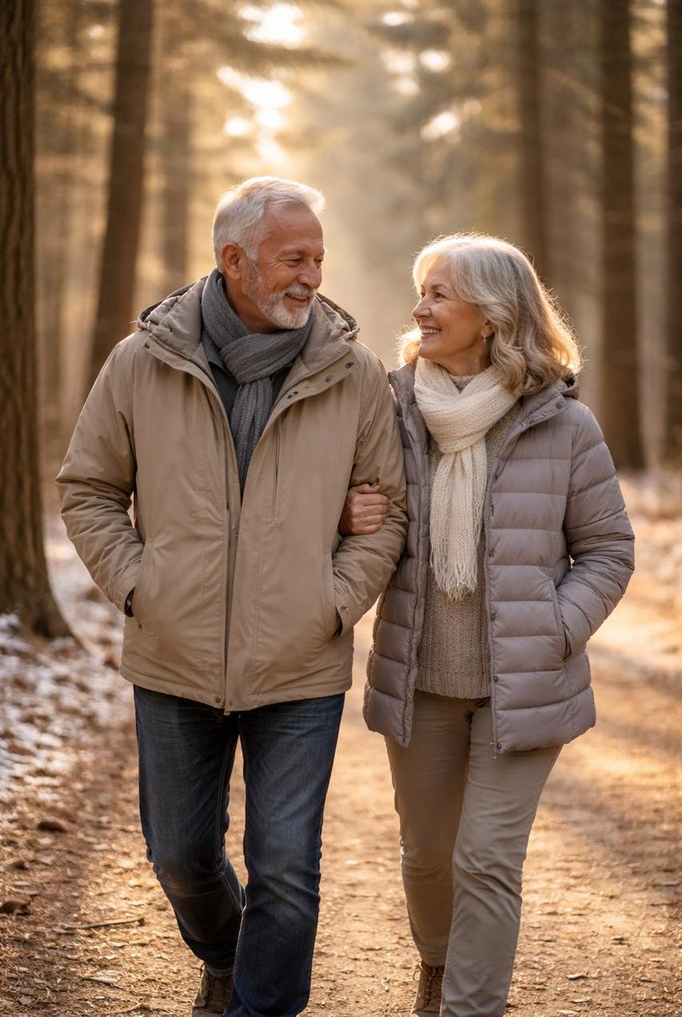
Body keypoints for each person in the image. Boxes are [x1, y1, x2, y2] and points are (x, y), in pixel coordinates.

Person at [57, 176, 407, 1017]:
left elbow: (387, 514)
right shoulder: (144, 361)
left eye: (318, 259)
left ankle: (262, 1005)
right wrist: (142, 586)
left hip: (299, 664)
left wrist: (332, 602)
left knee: (287, 865)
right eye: (294, 259)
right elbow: (88, 488)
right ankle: (222, 949)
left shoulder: (353, 373)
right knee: (179, 854)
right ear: (234, 260)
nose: (312, 276)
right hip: (173, 658)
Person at [342, 233, 635, 1017]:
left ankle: (473, 1006)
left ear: (495, 313)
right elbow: (344, 509)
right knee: (428, 855)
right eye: (421, 290)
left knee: (486, 858)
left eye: (440, 293)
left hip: (525, 687)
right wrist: (347, 512)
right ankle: (437, 965)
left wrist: (555, 627)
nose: (419, 308)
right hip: (421, 682)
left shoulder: (563, 425)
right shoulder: (391, 407)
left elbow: (608, 550)